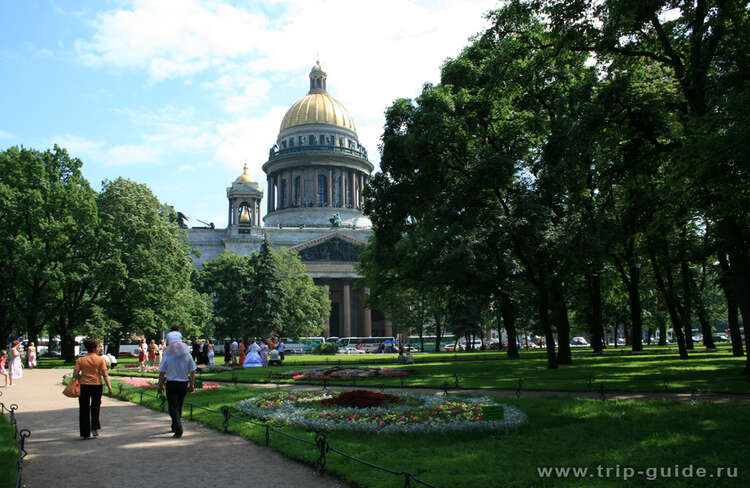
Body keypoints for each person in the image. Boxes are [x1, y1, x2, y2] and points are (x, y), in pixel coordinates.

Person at [157, 324, 196, 438]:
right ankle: (175, 425)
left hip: (172, 383)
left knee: (173, 406)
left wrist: (160, 386)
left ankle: (178, 428)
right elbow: (193, 370)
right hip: (183, 382)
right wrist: (191, 384)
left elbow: (162, 371)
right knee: (178, 406)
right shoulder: (187, 354)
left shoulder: (168, 354)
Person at [74, 338, 112, 439]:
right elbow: (105, 375)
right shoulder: (100, 360)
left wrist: (81, 377)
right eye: (98, 347)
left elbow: (75, 374)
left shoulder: (81, 360)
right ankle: (94, 428)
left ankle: (85, 433)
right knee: (96, 407)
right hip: (97, 385)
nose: (99, 349)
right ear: (95, 348)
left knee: (84, 409)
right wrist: (110, 388)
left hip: (84, 385)